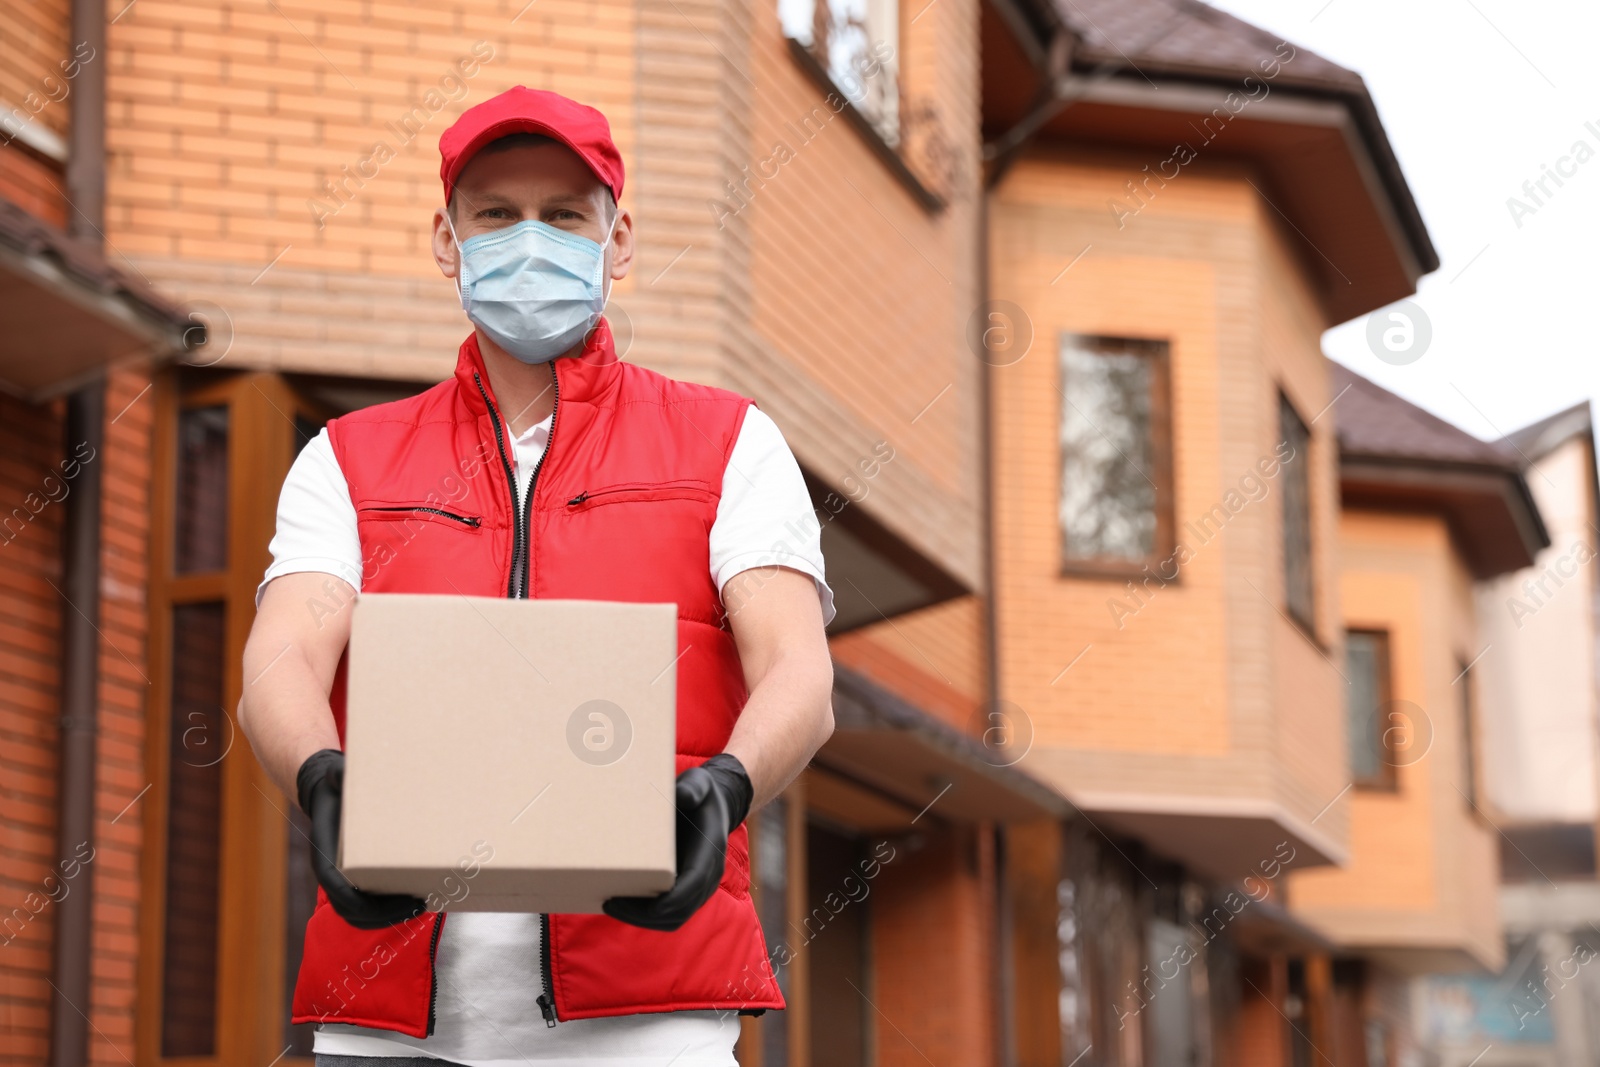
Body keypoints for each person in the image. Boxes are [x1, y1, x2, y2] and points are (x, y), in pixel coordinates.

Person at [238, 86, 836, 1067]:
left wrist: (721, 789)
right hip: (387, 1017)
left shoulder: (730, 442)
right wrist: (321, 778)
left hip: (650, 1017)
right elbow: (281, 657)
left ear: (620, 236)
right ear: (446, 238)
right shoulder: (347, 458)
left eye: (563, 215)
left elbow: (799, 674)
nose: (529, 241)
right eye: (495, 214)